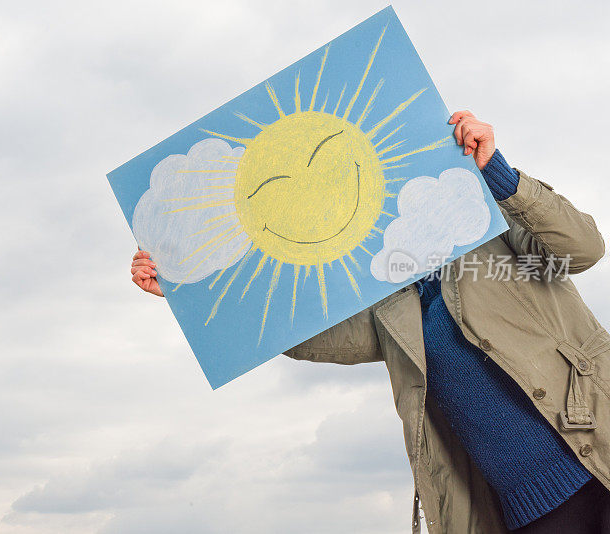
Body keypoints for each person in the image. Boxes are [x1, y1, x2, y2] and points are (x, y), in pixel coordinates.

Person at [129, 110, 610, 533]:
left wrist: (497, 175)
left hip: (599, 455)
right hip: (530, 509)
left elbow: (582, 248)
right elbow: (300, 335)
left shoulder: (488, 227)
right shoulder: (385, 301)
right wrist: (186, 292)